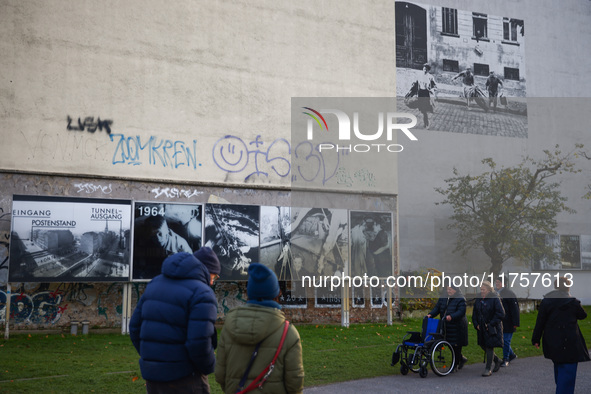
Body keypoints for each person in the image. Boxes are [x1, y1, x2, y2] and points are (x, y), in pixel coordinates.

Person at [129, 247, 221, 393]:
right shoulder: (202, 293)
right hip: (186, 378)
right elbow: (199, 342)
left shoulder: (154, 284)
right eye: (214, 277)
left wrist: (154, 360)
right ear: (205, 270)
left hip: (153, 378)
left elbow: (134, 328)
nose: (211, 282)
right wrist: (208, 367)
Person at [215, 263, 304, 394]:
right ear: (275, 294)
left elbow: (220, 375)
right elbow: (295, 382)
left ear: (249, 293)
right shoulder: (288, 333)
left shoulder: (228, 327)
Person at [532, 276, 590, 394]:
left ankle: (561, 389)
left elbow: (540, 322)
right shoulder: (573, 302)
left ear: (555, 286)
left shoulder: (546, 301)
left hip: (552, 340)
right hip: (570, 341)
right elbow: (583, 315)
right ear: (568, 287)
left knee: (559, 367)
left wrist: (536, 339)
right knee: (568, 372)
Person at [427, 285, 469, 371]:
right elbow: (437, 308)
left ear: (455, 290)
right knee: (450, 345)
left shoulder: (460, 299)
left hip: (457, 326)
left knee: (456, 346)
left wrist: (452, 316)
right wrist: (431, 314)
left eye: (450, 289)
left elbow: (461, 312)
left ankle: (455, 365)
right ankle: (461, 359)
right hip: (446, 325)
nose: (448, 291)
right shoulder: (444, 298)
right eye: (447, 289)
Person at [472, 280, 505, 377]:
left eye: (484, 290)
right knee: (483, 345)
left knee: (489, 346)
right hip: (481, 327)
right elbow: (475, 313)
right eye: (481, 289)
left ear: (489, 290)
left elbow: (501, 313)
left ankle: (488, 368)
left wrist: (490, 324)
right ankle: (497, 360)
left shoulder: (495, 298)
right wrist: (476, 323)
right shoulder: (479, 298)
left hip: (492, 327)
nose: (482, 291)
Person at [495, 275, 520, 367]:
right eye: (496, 282)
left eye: (499, 282)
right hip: (500, 321)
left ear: (504, 284)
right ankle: (512, 355)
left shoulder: (509, 293)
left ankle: (506, 358)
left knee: (505, 341)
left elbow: (515, 309)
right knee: (503, 340)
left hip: (508, 321)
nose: (497, 284)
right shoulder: (495, 293)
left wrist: (515, 323)